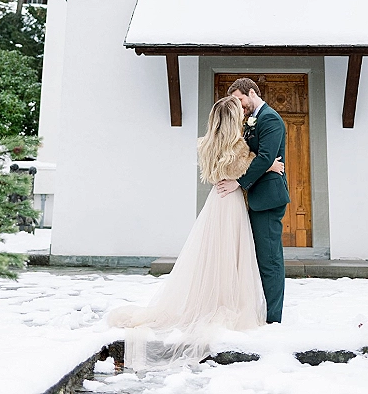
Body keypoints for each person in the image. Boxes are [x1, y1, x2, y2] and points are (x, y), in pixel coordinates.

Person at [107, 95, 284, 370]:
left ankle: (213, 296)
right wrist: (271, 165)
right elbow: (252, 165)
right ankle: (225, 300)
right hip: (231, 204)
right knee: (229, 252)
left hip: (216, 201)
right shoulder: (236, 147)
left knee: (214, 252)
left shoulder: (207, 144)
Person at [216, 78, 290, 323]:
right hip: (255, 196)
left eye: (239, 99)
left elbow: (266, 156)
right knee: (256, 258)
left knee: (269, 260)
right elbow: (256, 157)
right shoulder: (250, 120)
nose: (239, 106)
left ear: (251, 92)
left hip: (268, 199)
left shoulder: (270, 118)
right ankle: (259, 311)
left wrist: (239, 182)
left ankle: (274, 318)